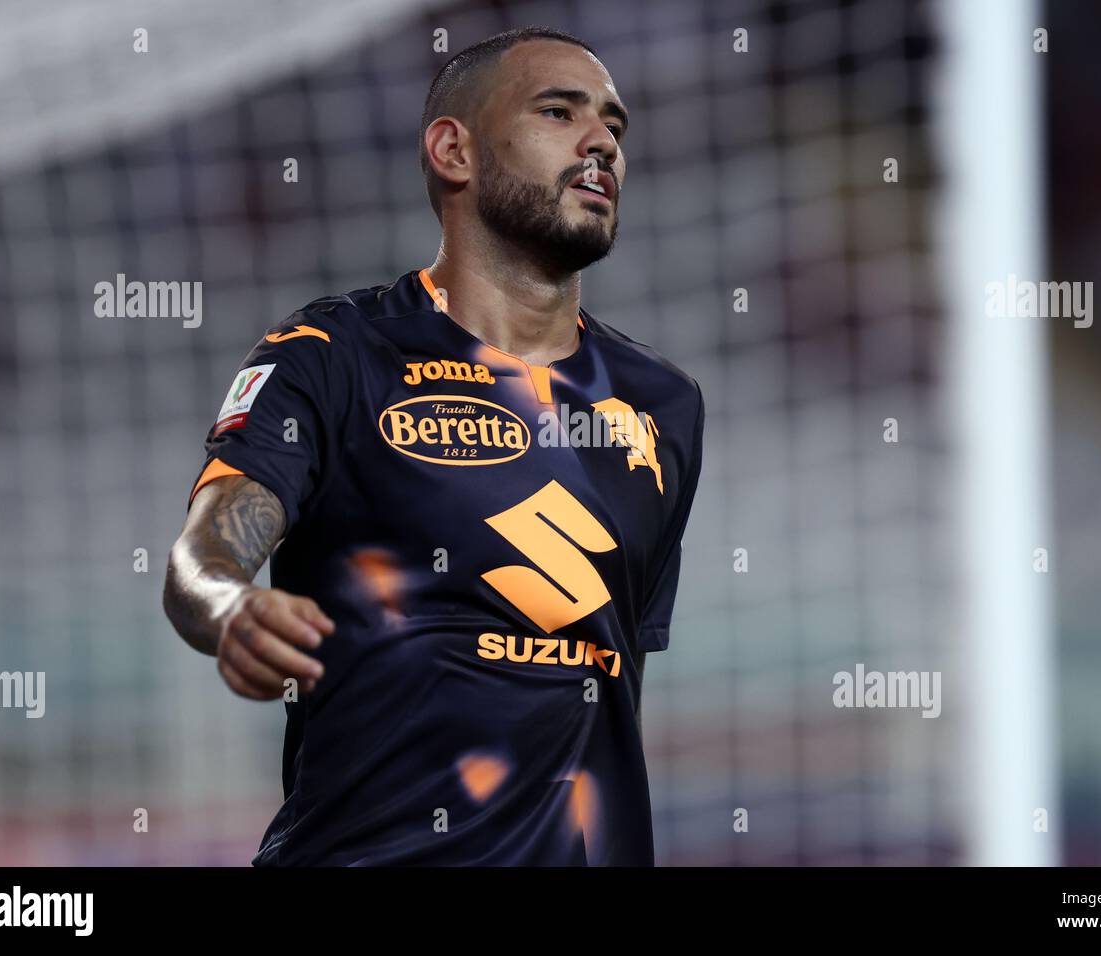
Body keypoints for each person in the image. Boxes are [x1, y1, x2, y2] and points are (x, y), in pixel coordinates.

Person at [163, 26, 704, 865]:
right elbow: (202, 556)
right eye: (559, 112)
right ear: (454, 150)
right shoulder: (333, 354)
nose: (601, 141)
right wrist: (229, 605)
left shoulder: (665, 405)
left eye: (614, 126)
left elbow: (607, 679)